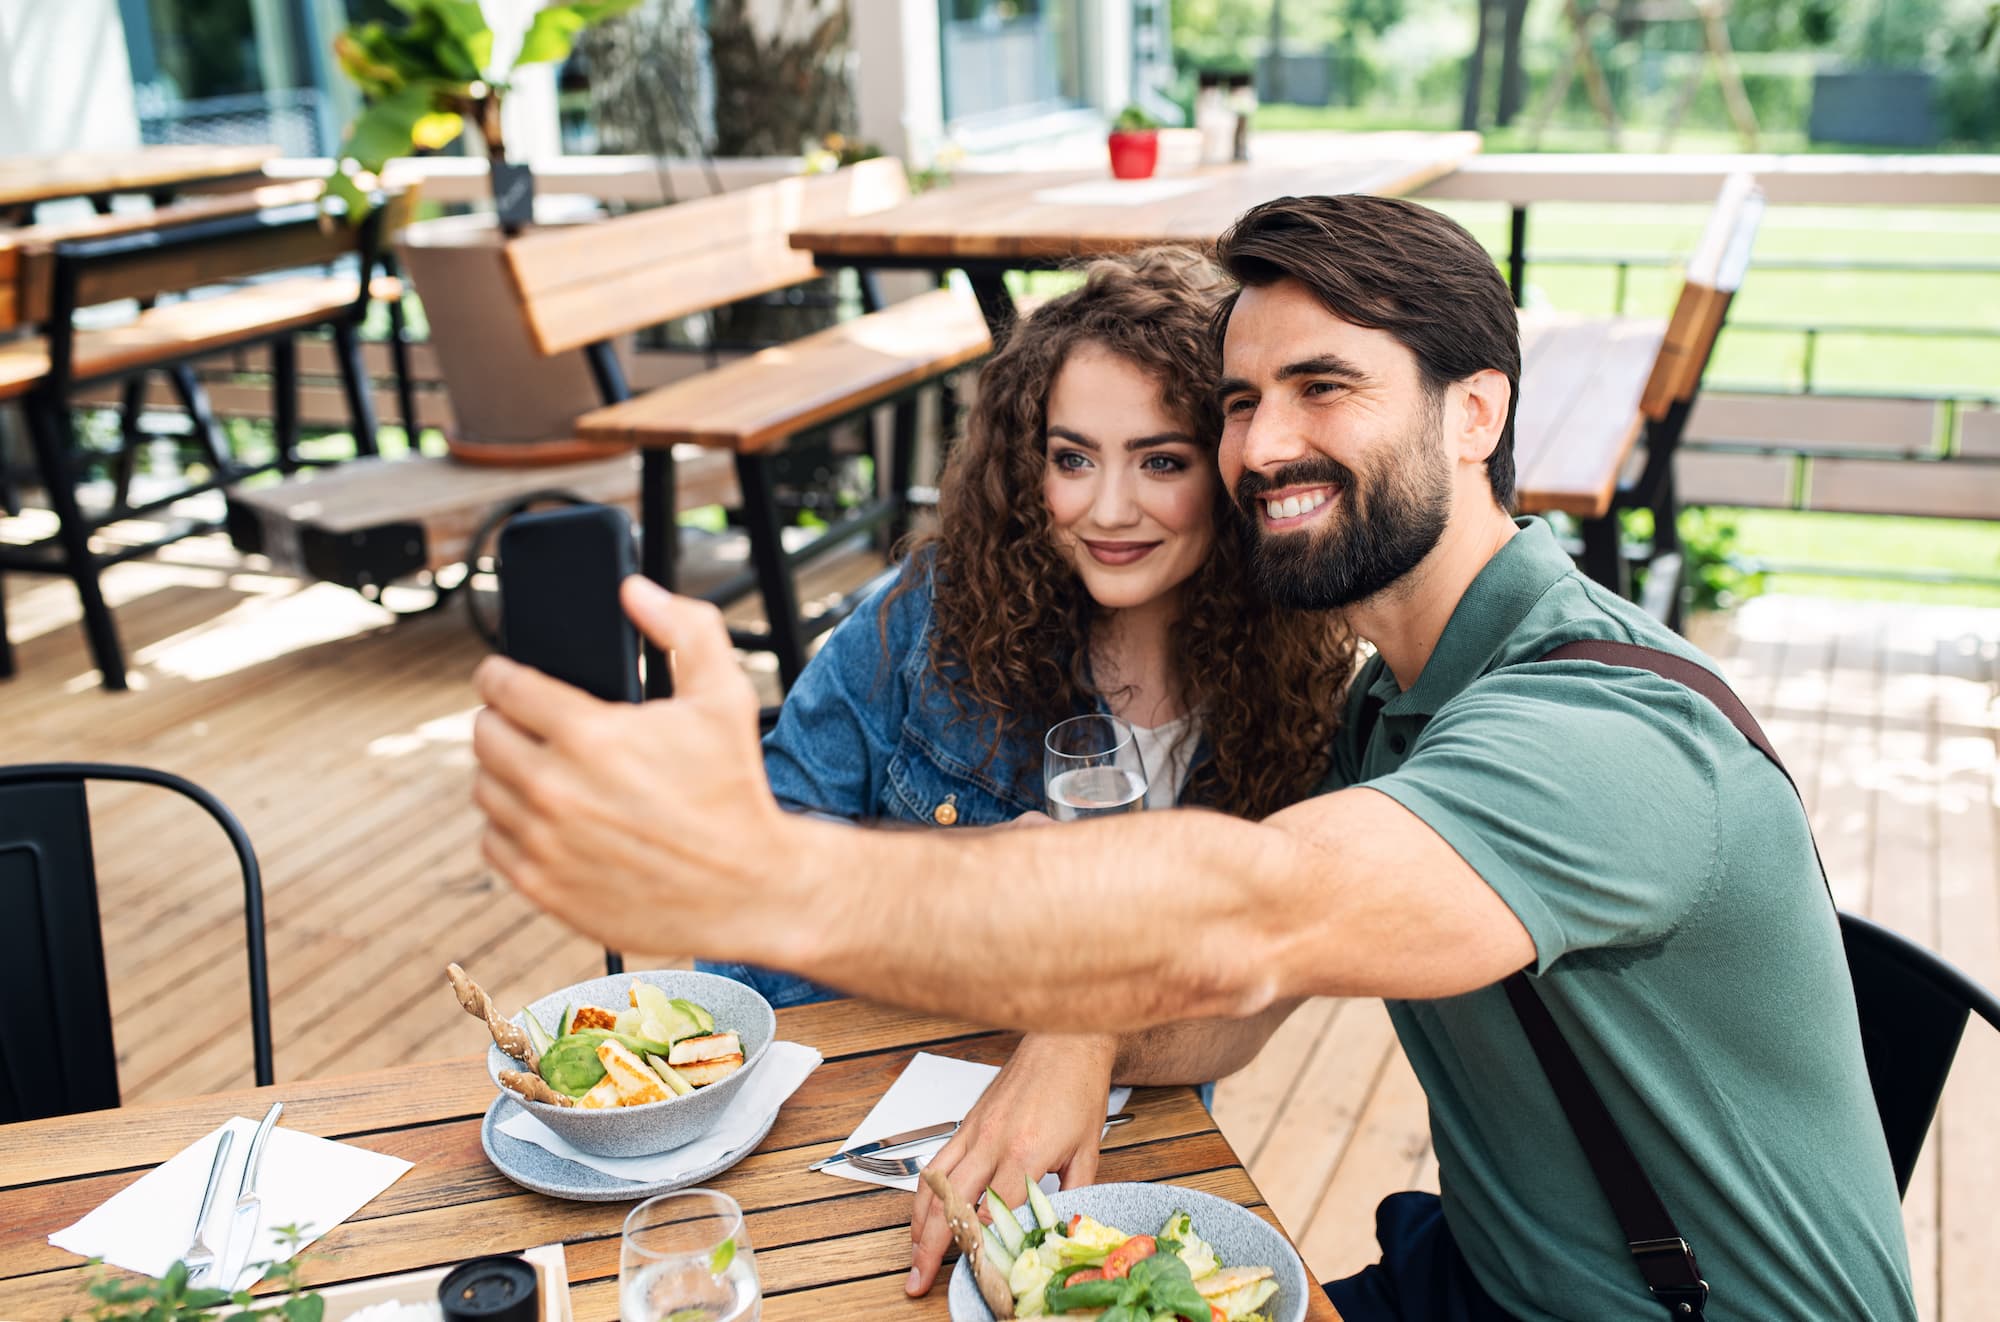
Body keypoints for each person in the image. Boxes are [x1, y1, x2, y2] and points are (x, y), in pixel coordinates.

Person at [470, 194, 1918, 1320]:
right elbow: (1243, 994)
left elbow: (1245, 916)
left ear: (1475, 413)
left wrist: (756, 876)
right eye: (1238, 401)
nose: (1261, 445)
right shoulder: (1392, 703)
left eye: (1325, 387)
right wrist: (1085, 1024)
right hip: (1482, 1277)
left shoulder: (1607, 732)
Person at [699, 248, 1355, 1293]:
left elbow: (1259, 981)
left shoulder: (1301, 682)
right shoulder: (933, 615)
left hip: (1120, 1150)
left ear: (1232, 468)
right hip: (853, 1108)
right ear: (1026, 465)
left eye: (1161, 460)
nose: (1107, 508)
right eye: (1072, 457)